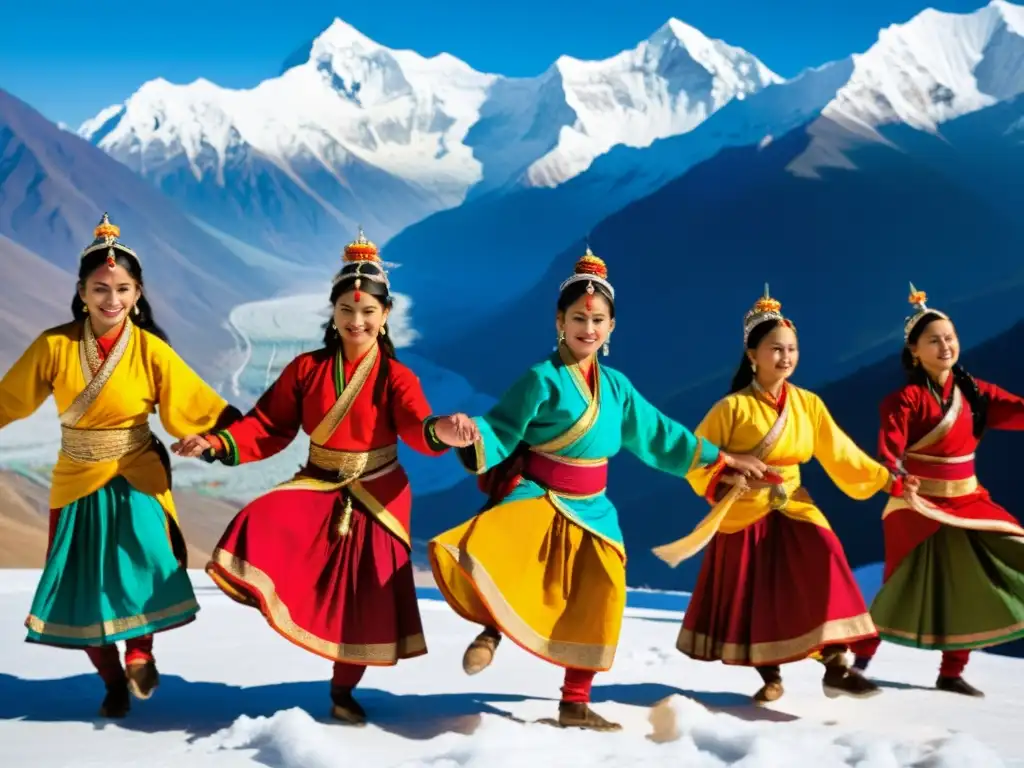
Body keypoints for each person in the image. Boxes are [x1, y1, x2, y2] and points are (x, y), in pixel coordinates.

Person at [426, 248, 767, 731]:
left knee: (603, 592)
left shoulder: (618, 387)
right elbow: (500, 428)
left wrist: (722, 459)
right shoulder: (539, 380)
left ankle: (575, 702)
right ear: (559, 321)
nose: (588, 327)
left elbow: (659, 434)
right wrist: (461, 431)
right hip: (539, 494)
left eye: (599, 319)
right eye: (579, 317)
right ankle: (490, 630)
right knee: (502, 555)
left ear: (611, 328)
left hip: (594, 508)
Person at [171, 229, 476, 726]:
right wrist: (216, 443)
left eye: (368, 313)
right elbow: (267, 426)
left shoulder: (397, 378)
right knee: (260, 515)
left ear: (384, 316)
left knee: (366, 597)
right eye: (347, 311)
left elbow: (417, 426)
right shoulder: (306, 369)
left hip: (379, 493)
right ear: (333, 314)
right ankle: (272, 598)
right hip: (319, 481)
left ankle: (343, 689)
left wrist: (445, 429)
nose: (357, 322)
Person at [0, 213, 240, 718]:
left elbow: (194, 404)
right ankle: (110, 680)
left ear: (138, 293)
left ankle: (139, 655)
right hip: (76, 480)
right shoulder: (54, 345)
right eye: (100, 288)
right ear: (82, 291)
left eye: (123, 288)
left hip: (138, 475)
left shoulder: (151, 348)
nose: (112, 299)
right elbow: (10, 400)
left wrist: (214, 436)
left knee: (146, 572)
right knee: (84, 587)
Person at [656, 286, 920, 704]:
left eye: (792, 349)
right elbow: (695, 458)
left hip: (793, 504)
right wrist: (730, 474)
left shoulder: (808, 404)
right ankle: (770, 674)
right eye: (776, 349)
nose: (786, 357)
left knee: (826, 555)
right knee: (757, 594)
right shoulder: (731, 409)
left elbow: (840, 452)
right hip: (745, 510)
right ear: (752, 355)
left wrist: (886, 479)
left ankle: (836, 663)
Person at [848, 284, 1024, 697]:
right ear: (914, 351)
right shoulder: (903, 400)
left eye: (950, 337)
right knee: (898, 584)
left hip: (968, 499)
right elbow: (888, 450)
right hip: (915, 501)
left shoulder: (976, 394)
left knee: (994, 562)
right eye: (934, 340)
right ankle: (857, 663)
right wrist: (895, 474)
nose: (945, 345)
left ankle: (952, 671)